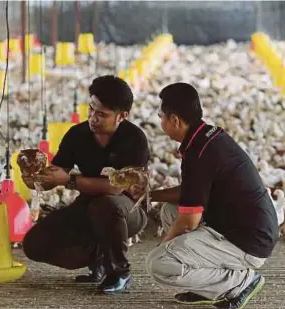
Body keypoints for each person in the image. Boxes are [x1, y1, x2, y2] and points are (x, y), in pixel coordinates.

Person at [136, 83, 278, 309]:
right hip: (247, 227)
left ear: (175, 120)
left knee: (159, 263)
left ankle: (241, 281)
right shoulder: (206, 136)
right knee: (170, 211)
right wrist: (150, 195)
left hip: (249, 242)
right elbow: (191, 191)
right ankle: (209, 286)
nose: (160, 122)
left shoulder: (198, 154)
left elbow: (188, 222)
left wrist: (165, 245)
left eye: (161, 117)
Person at [21, 75, 150, 294]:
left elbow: (116, 188)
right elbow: (57, 173)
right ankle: (99, 256)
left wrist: (70, 180)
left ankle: (119, 273)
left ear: (122, 116)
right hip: (88, 206)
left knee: (106, 205)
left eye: (102, 114)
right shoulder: (77, 134)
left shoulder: (134, 139)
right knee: (34, 244)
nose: (93, 118)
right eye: (91, 110)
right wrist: (34, 178)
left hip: (129, 210)